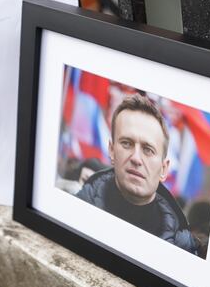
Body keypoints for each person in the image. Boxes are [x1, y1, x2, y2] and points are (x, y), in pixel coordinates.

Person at [76, 93, 200, 255]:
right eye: (126, 143)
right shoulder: (76, 211)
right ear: (111, 151)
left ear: (164, 169)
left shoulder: (183, 251)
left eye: (148, 150)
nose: (136, 158)